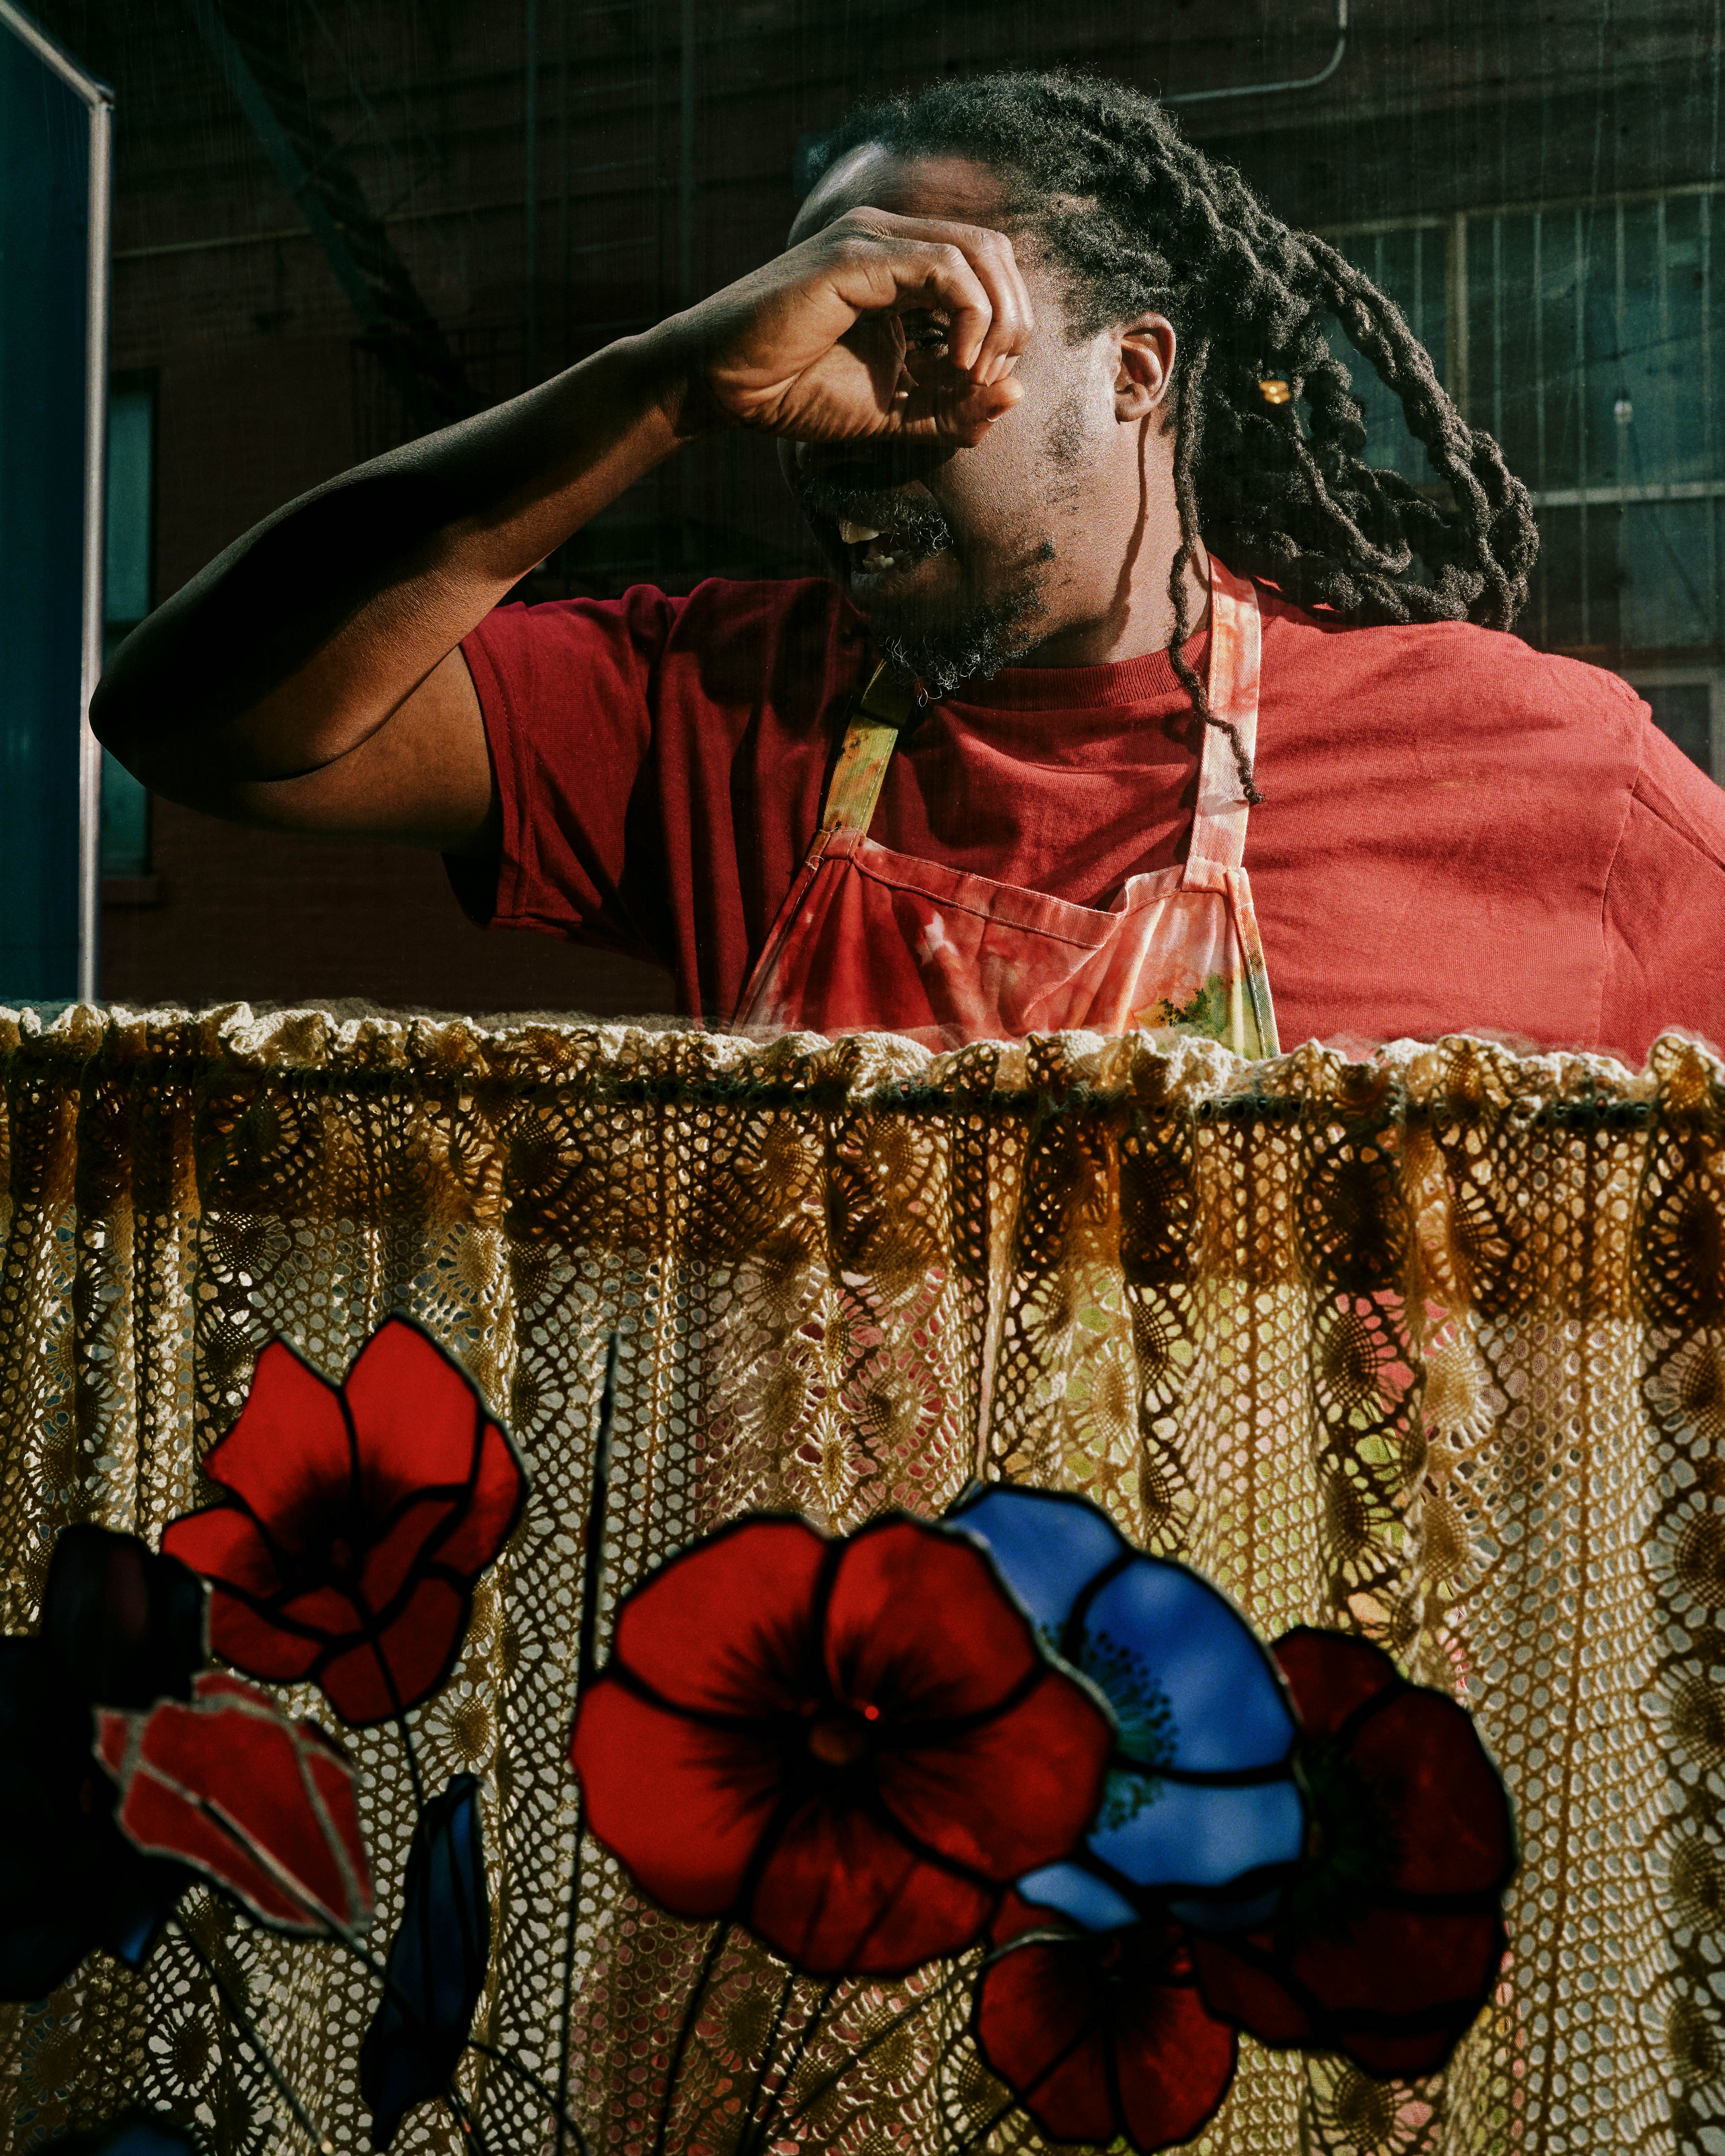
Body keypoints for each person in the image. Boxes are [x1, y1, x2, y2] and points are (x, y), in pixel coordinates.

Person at [93, 72, 1725, 1063]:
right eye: (804, 330)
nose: (834, 415)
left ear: (1135, 371)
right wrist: (660, 386)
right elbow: (195, 720)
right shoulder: (726, 710)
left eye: (912, 333)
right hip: (844, 1640)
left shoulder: (1545, 784)